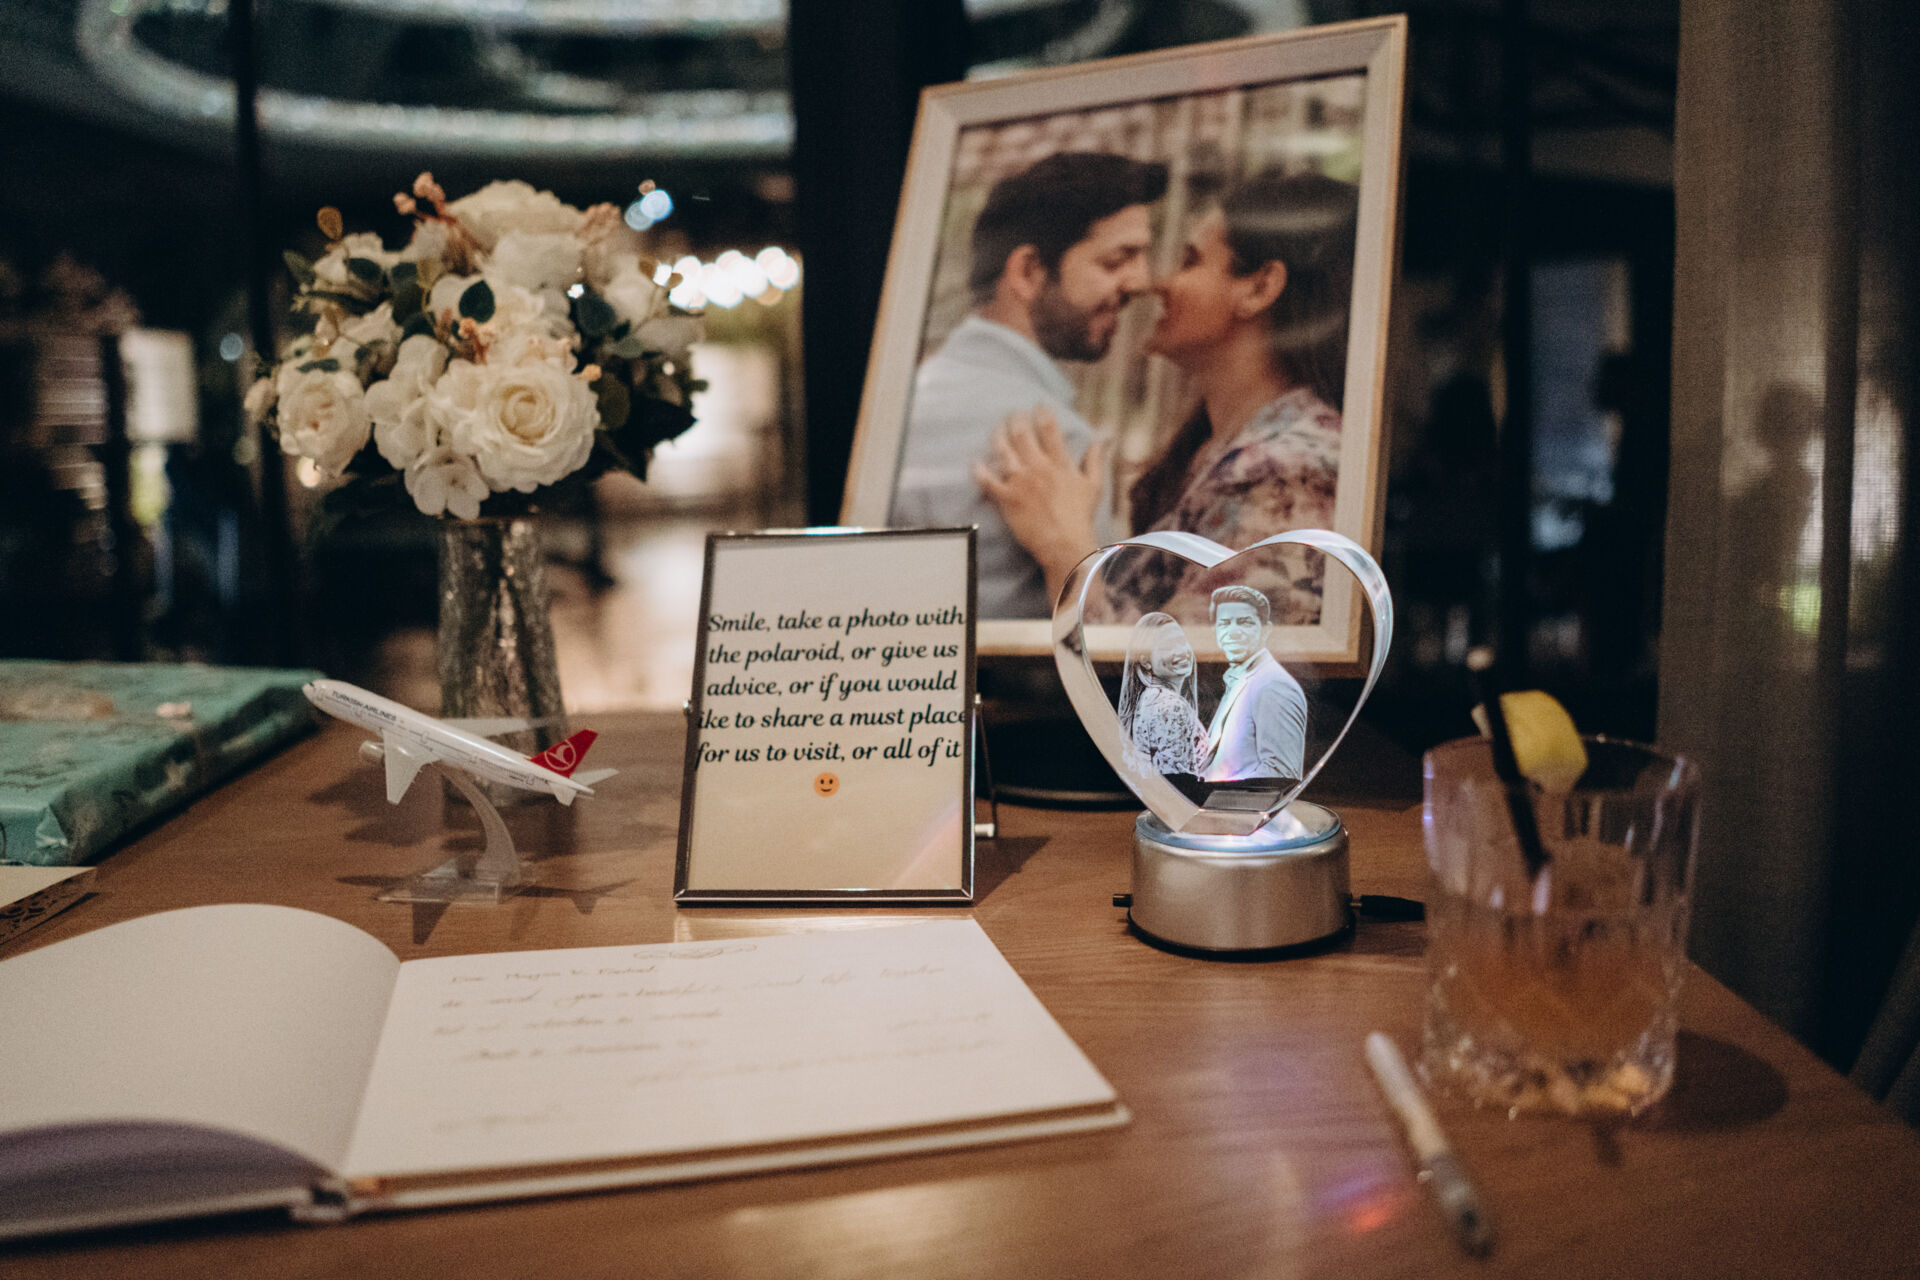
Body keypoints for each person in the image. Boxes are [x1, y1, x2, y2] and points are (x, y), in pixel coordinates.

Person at [978, 169, 1358, 622]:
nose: (1157, 284)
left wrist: (1064, 545)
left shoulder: (1294, 470)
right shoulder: (1221, 450)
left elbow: (1192, 663)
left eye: (1189, 260)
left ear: (1259, 288)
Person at [891, 151, 1169, 618]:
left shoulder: (902, 407)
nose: (1141, 282)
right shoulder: (1056, 443)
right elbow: (1091, 648)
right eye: (1116, 260)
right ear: (1027, 272)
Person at [1200, 585, 1308, 783]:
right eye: (1224, 623)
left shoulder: (1274, 687)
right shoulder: (1241, 679)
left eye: (1245, 623)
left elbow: (1281, 776)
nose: (1233, 632)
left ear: (1266, 630)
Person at [1118, 612, 1205, 778]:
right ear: (1145, 661)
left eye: (1182, 641)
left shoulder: (1151, 698)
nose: (1181, 651)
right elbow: (1179, 782)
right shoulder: (1170, 706)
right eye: (1167, 646)